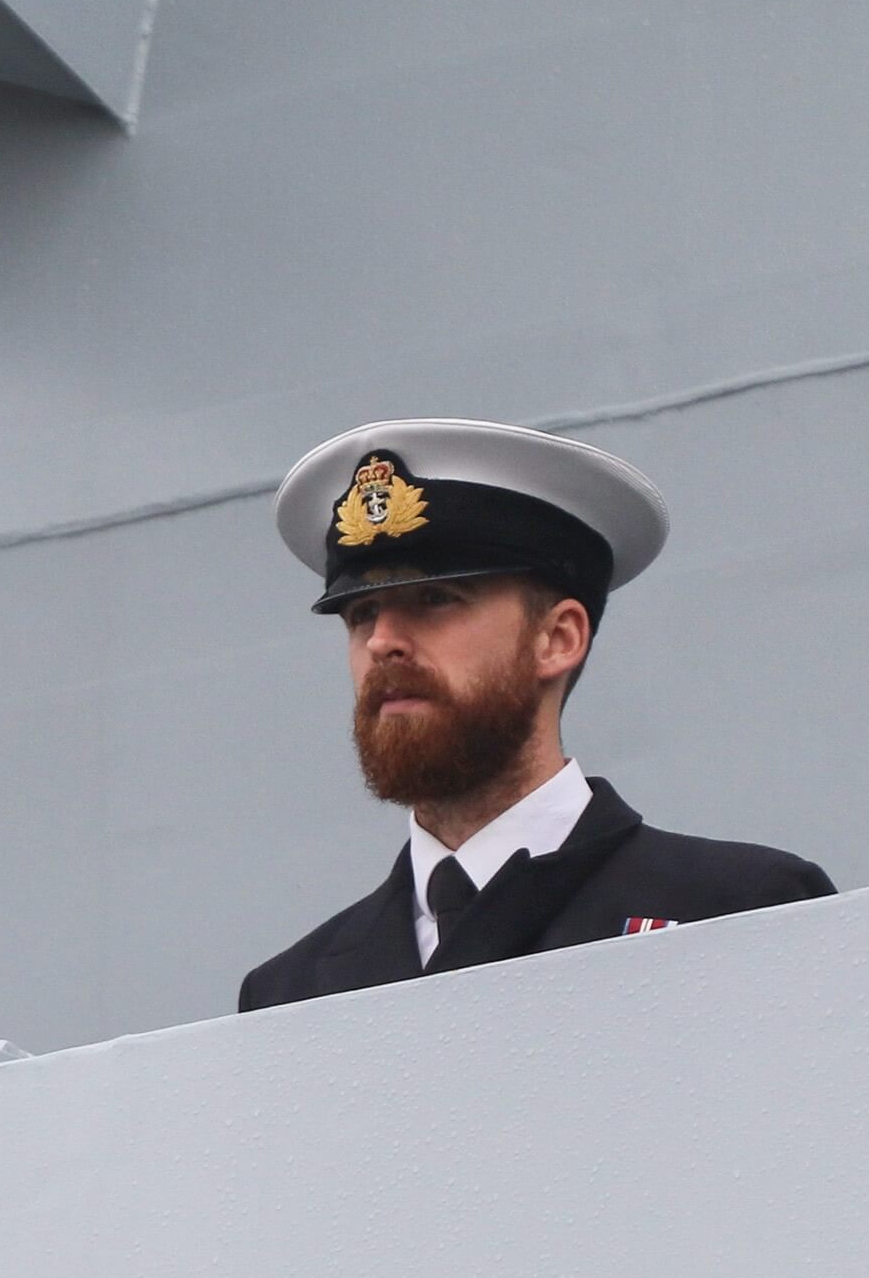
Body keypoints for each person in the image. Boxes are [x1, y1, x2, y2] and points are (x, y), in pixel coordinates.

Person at [240, 420, 832, 1011]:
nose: (382, 641)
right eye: (362, 613)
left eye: (436, 600)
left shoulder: (740, 910)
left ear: (558, 638)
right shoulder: (290, 996)